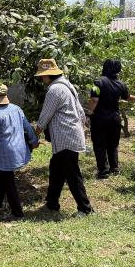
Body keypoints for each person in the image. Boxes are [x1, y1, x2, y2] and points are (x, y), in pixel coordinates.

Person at [34, 59, 94, 216]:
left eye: (42, 76)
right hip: (70, 135)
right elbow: (81, 111)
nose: (42, 79)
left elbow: (45, 116)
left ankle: (85, 208)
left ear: (48, 75)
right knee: (56, 169)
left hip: (65, 137)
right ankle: (52, 203)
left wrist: (35, 136)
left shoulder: (55, 90)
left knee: (72, 173)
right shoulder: (67, 85)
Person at [0, 84, 39, 219]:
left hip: (5, 154)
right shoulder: (16, 109)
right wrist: (34, 141)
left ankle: (17, 213)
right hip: (19, 150)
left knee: (8, 182)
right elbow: (28, 127)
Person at [87, 60, 135, 179]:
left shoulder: (97, 82)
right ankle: (114, 168)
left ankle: (103, 172)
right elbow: (128, 97)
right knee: (113, 144)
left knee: (99, 145)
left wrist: (88, 114)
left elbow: (94, 100)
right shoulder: (121, 84)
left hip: (99, 119)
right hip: (115, 119)